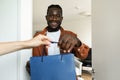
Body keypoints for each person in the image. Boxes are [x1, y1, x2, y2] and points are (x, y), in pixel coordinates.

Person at [26, 4, 90, 74]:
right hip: (45, 75)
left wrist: (78, 42)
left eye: (58, 16)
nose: (54, 19)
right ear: (46, 17)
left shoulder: (70, 35)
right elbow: (35, 58)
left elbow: (84, 56)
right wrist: (31, 65)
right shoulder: (37, 36)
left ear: (61, 18)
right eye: (51, 16)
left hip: (64, 75)